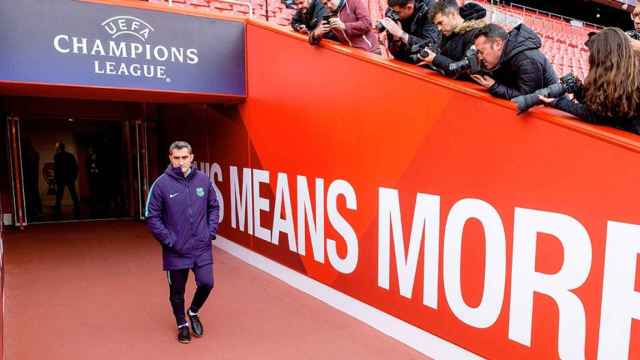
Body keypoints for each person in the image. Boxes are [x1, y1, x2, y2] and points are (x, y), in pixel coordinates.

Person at [145, 141, 220, 344]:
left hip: (201, 247)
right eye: (176, 158)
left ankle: (193, 311)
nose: (181, 162)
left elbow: (214, 206)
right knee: (177, 292)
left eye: (184, 157)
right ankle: (182, 325)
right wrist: (170, 241)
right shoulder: (161, 184)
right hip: (176, 250)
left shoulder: (203, 181)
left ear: (191, 157)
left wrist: (210, 231)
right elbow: (151, 216)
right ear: (170, 158)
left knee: (207, 283)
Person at [539, 28, 640, 135]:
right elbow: (602, 108)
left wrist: (558, 103)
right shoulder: (622, 78)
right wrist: (578, 90)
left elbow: (600, 116)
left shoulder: (633, 84)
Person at [471, 23, 558, 99]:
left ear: (498, 44)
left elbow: (530, 98)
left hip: (552, 112)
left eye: (481, 52)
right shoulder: (505, 54)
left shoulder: (526, 60)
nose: (480, 57)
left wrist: (494, 87)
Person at [418, 0, 486, 77]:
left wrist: (435, 59)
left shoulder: (476, 35)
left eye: (440, 23)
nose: (439, 28)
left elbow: (465, 70)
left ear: (453, 15)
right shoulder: (447, 33)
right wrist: (431, 61)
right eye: (437, 25)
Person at [309, 0, 381, 53]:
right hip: (351, 54)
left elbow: (367, 24)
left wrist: (344, 26)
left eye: (329, 0)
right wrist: (316, 34)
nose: (329, 5)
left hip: (370, 52)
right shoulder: (328, 14)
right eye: (325, 4)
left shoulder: (353, 2)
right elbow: (312, 40)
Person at [53, 142, 79, 217]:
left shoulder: (57, 156)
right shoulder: (70, 155)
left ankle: (57, 207)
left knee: (59, 194)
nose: (55, 148)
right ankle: (77, 207)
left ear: (59, 148)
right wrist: (74, 177)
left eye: (56, 147)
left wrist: (56, 178)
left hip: (61, 178)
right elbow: (75, 167)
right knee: (73, 193)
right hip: (70, 177)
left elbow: (56, 169)